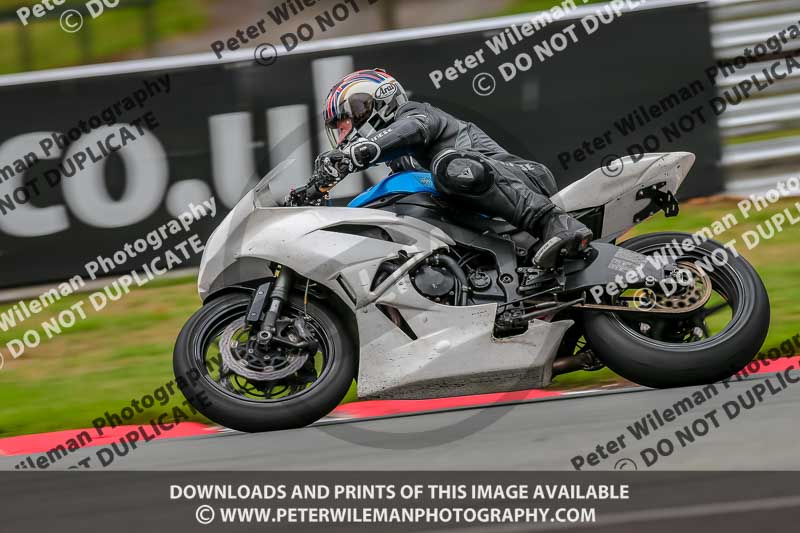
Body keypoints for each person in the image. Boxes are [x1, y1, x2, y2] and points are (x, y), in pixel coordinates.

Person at [314, 68, 592, 269]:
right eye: (337, 130)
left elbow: (412, 130)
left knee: (450, 166)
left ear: (371, 106)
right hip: (494, 219)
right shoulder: (401, 167)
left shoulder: (418, 115)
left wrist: (354, 153)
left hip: (525, 179)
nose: (341, 137)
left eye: (344, 124)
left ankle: (554, 222)